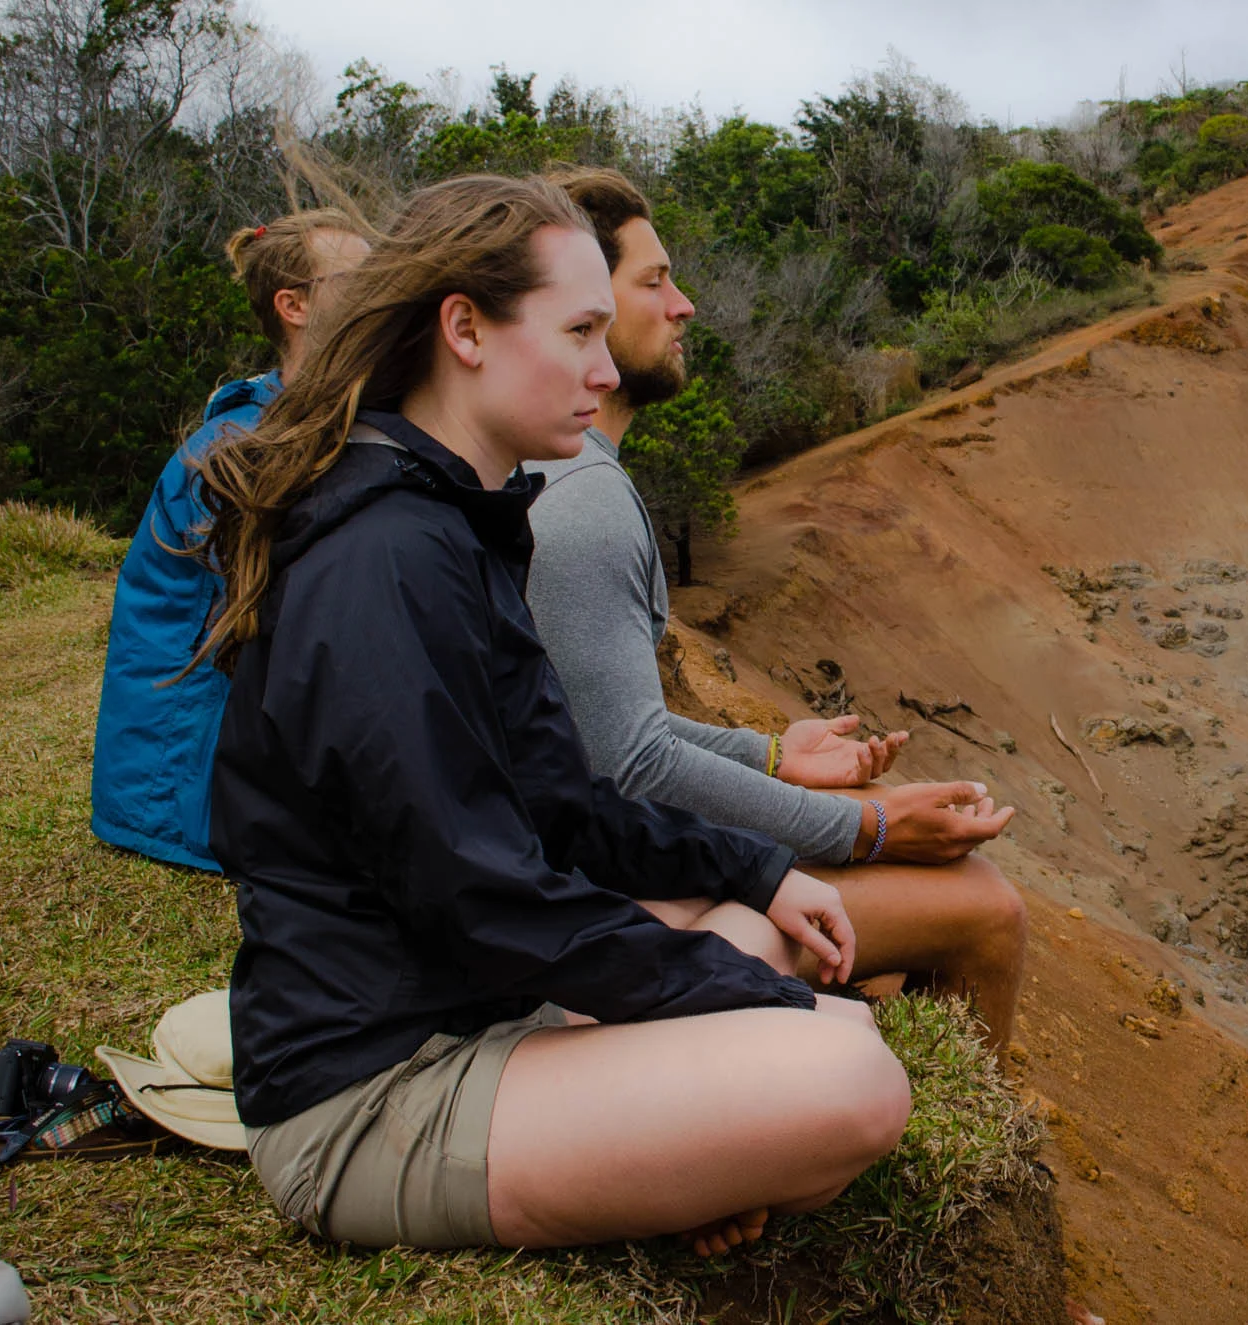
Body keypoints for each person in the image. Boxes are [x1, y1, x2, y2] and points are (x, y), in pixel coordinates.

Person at [193, 173, 909, 1257]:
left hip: (480, 1013)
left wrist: (758, 868)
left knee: (755, 933)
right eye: (578, 330)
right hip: (375, 1089)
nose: (605, 368)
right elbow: (478, 890)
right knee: (851, 1074)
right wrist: (756, 1004)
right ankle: (668, 1164)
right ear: (466, 329)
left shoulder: (451, 519)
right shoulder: (383, 560)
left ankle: (665, 1156)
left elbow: (565, 804)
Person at [527, 168, 1028, 1046]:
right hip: (578, 894)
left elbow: (600, 726)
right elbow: (629, 768)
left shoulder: (559, 475)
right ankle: (929, 1152)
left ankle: (860, 1099)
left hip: (569, 857)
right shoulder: (580, 500)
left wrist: (770, 753)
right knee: (987, 904)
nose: (683, 306)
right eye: (654, 281)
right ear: (583, 306)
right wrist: (865, 828)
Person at [90, 208, 369, 870]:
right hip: (179, 783)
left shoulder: (313, 424)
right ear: (294, 305)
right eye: (359, 279)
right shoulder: (234, 450)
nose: (383, 291)